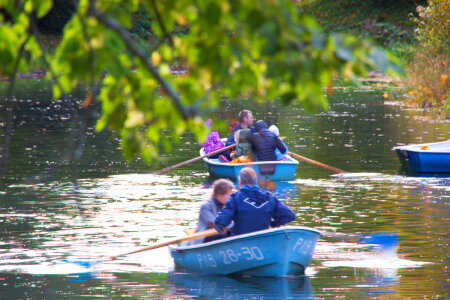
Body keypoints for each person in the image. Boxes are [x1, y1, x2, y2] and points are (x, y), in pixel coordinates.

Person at [214, 168, 295, 236]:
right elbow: (289, 216)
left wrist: (223, 228)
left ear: (240, 181)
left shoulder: (235, 197)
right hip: (264, 236)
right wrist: (272, 225)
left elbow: (220, 222)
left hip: (240, 238)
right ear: (255, 181)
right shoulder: (270, 197)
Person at [190, 179, 235, 245]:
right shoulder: (205, 206)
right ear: (220, 195)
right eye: (229, 195)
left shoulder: (226, 205)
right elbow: (214, 225)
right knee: (223, 235)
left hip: (220, 233)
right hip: (203, 237)